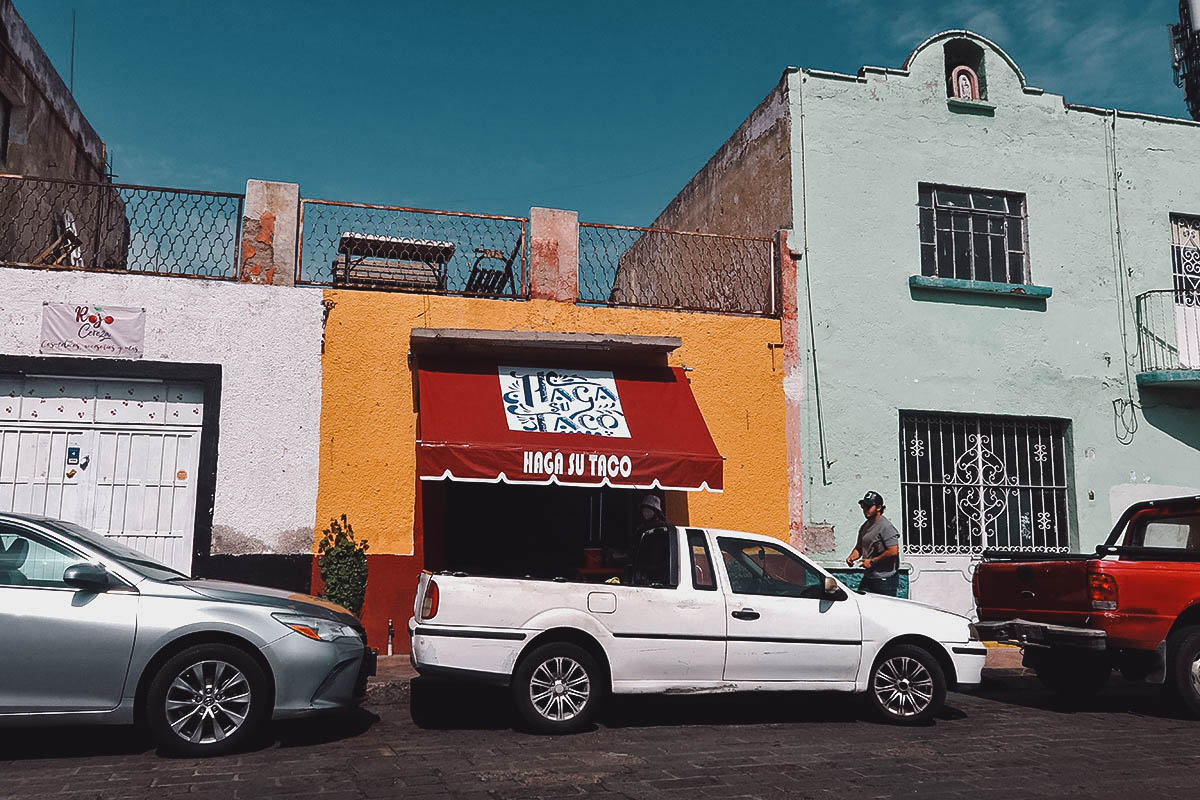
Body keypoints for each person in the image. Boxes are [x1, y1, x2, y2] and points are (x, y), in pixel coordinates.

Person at [845, 490, 901, 596]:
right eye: (864, 506)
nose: (865, 510)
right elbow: (859, 548)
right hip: (869, 577)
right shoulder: (865, 526)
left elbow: (893, 551)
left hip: (885, 579)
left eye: (869, 506)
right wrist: (851, 557)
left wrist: (871, 562)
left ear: (879, 508)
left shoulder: (886, 526)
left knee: (883, 610)